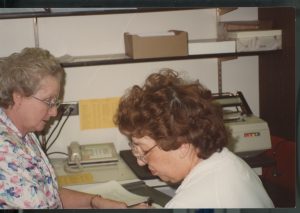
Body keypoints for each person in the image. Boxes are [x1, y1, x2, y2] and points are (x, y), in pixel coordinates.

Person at [114, 68, 275, 208]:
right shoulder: (231, 163)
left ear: (183, 146)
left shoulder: (190, 203)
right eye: (135, 148)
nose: (140, 161)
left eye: (143, 149)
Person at [0, 48, 129, 209]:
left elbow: (49, 195)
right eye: (48, 101)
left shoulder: (23, 133)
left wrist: (94, 201)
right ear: (17, 96)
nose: (54, 112)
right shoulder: (4, 152)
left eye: (56, 103)